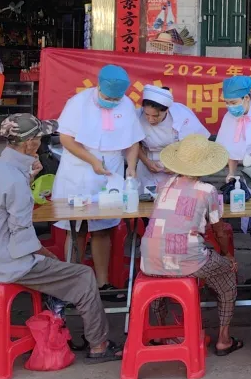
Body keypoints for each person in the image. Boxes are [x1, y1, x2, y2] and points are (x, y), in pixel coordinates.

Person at [0, 115, 122, 362]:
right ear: (30, 145)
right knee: (82, 275)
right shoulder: (15, 180)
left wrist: (29, 177)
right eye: (39, 138)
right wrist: (50, 257)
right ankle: (99, 345)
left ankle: (63, 327)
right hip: (6, 263)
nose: (41, 142)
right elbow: (22, 239)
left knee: (59, 265)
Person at [140, 134, 241, 356]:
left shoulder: (164, 185)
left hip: (149, 259)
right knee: (226, 275)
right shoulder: (207, 191)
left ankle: (162, 331)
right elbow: (220, 230)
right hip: (187, 260)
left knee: (161, 285)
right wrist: (228, 257)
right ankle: (223, 339)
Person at [52, 64, 144, 299]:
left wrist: (131, 168)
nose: (112, 101)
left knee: (103, 228)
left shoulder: (126, 105)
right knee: (78, 228)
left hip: (110, 170)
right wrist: (91, 160)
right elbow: (66, 138)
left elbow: (133, 141)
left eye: (116, 97)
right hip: (80, 168)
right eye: (107, 96)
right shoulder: (78, 103)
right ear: (99, 86)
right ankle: (73, 288)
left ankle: (103, 285)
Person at [136, 85, 209, 193]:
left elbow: (197, 144)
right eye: (147, 115)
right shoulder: (137, 115)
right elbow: (133, 143)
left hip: (180, 164)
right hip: (148, 164)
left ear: (166, 110)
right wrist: (146, 162)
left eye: (156, 116)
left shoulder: (181, 115)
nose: (150, 119)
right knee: (147, 201)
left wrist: (178, 166)